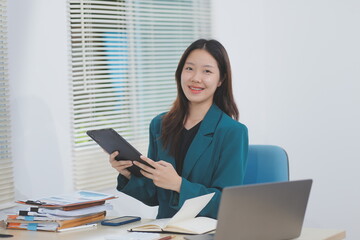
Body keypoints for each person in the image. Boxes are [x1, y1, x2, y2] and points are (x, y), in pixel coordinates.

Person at [110, 39, 248, 219]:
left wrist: (179, 185)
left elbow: (227, 205)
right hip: (164, 230)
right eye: (189, 68)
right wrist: (127, 173)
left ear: (221, 79)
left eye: (207, 71)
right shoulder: (160, 124)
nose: (195, 78)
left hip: (207, 233)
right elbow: (154, 196)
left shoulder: (232, 132)